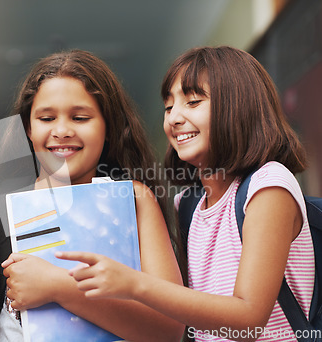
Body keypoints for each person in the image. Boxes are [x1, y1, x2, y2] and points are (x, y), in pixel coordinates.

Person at [57, 46, 313, 342]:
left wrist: (134, 285)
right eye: (168, 107)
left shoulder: (268, 185)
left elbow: (249, 322)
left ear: (239, 106)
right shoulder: (188, 205)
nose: (174, 118)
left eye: (193, 102)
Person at [0, 49, 184, 341]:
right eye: (46, 118)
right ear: (28, 129)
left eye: (80, 117)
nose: (62, 130)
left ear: (108, 127)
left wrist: (59, 286)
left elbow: (170, 330)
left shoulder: (134, 199)